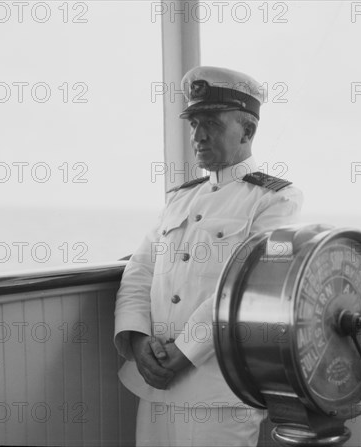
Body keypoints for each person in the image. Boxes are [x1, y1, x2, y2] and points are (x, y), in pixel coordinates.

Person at [114, 66, 303, 447]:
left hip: (219, 393)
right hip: (154, 387)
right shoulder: (180, 198)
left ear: (247, 131)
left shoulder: (276, 200)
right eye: (194, 123)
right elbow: (140, 271)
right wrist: (137, 341)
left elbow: (245, 287)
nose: (198, 135)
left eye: (211, 124)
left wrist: (181, 354)